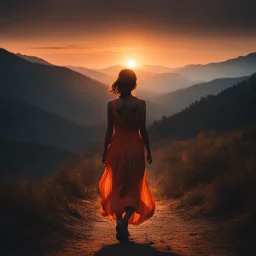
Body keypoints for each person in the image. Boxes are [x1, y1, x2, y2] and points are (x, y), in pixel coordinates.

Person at [99, 69, 155, 241]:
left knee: (118, 185)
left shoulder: (112, 105)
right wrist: (148, 150)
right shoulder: (141, 104)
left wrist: (104, 151)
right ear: (134, 83)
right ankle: (125, 220)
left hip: (116, 148)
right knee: (134, 186)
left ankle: (119, 221)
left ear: (119, 83)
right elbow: (143, 129)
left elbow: (109, 130)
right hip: (135, 148)